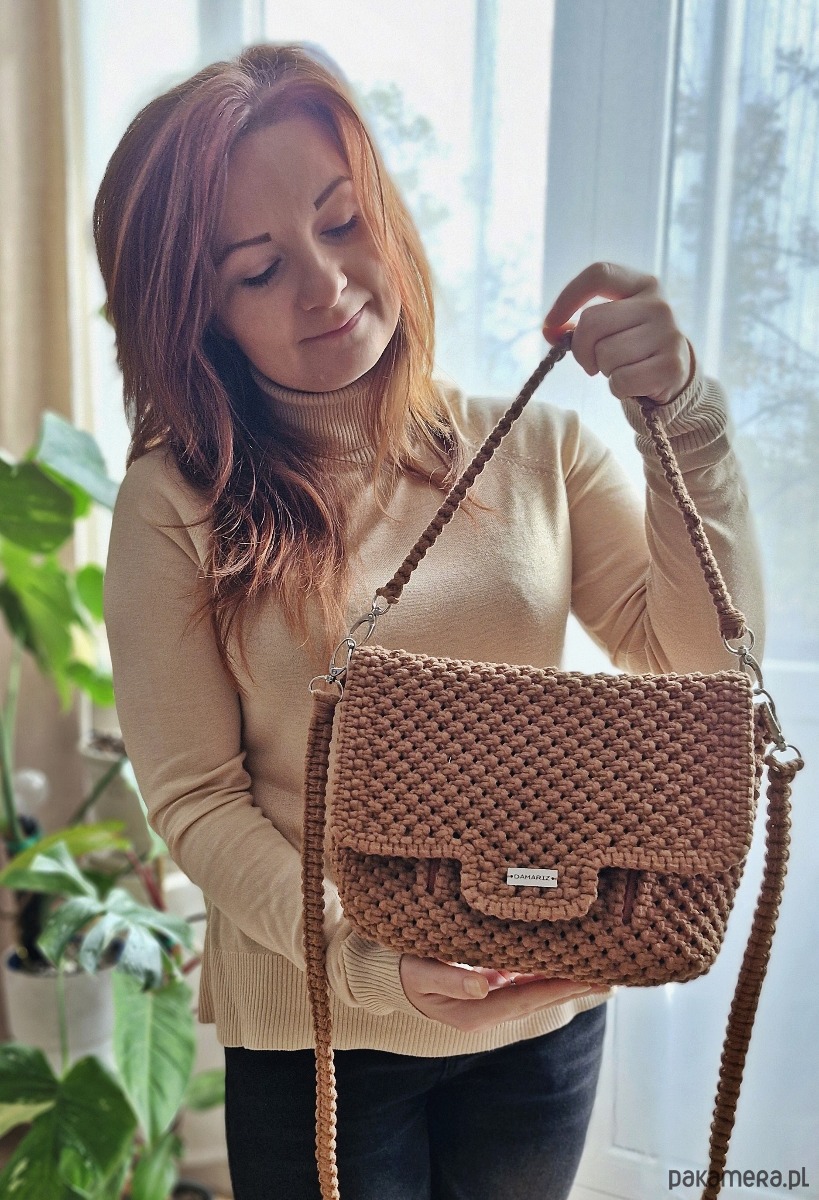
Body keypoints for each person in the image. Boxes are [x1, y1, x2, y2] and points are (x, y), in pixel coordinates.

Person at [97, 43, 763, 1200]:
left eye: (342, 220)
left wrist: (686, 421)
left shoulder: (539, 446)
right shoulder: (177, 500)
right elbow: (197, 798)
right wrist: (370, 959)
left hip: (544, 1009)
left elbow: (703, 673)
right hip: (319, 1030)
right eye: (258, 269)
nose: (326, 284)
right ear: (197, 311)